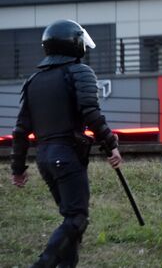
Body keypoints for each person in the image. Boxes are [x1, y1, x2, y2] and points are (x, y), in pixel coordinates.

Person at [10, 19, 123, 267]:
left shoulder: (33, 81)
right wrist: (111, 143)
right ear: (74, 44)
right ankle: (43, 264)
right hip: (67, 156)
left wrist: (18, 169)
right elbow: (91, 113)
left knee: (70, 221)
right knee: (77, 218)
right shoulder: (80, 72)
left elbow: (20, 131)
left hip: (45, 159)